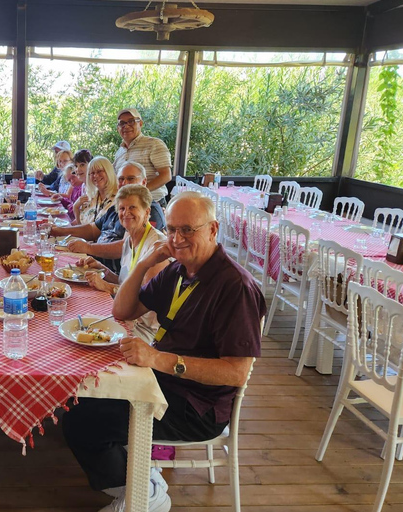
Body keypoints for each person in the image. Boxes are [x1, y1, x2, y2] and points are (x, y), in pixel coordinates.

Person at [62, 190, 265, 512]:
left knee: (81, 419)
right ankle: (136, 475)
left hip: (198, 407)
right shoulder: (179, 270)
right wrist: (145, 262)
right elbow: (122, 311)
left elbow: (236, 372)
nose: (177, 238)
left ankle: (145, 491)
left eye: (187, 229)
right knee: (80, 397)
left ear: (212, 230)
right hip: (162, 381)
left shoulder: (235, 287)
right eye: (171, 229)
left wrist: (157, 358)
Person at [78, 184, 169, 343]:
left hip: (147, 331)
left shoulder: (156, 248)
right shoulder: (129, 240)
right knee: (80, 321)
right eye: (121, 208)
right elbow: (126, 284)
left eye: (132, 207)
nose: (126, 213)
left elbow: (144, 299)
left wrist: (106, 286)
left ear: (147, 212)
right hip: (126, 317)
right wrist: (103, 270)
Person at [49, 161, 166, 273]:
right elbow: (92, 229)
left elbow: (126, 247)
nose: (125, 183)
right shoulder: (118, 206)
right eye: (121, 179)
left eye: (130, 178)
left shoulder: (149, 211)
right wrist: (57, 231)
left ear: (144, 182)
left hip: (114, 274)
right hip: (98, 267)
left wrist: (88, 248)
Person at [113, 108, 173, 207]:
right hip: (128, 206)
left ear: (140, 123)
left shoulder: (154, 144)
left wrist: (139, 193)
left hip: (152, 204)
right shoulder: (120, 152)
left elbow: (166, 175)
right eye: (122, 123)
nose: (126, 126)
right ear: (117, 128)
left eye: (131, 121)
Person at [74, 156, 117, 225]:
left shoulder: (118, 199)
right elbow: (81, 226)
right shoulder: (91, 198)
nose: (96, 176)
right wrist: (75, 207)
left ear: (108, 171)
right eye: (92, 173)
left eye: (99, 171)